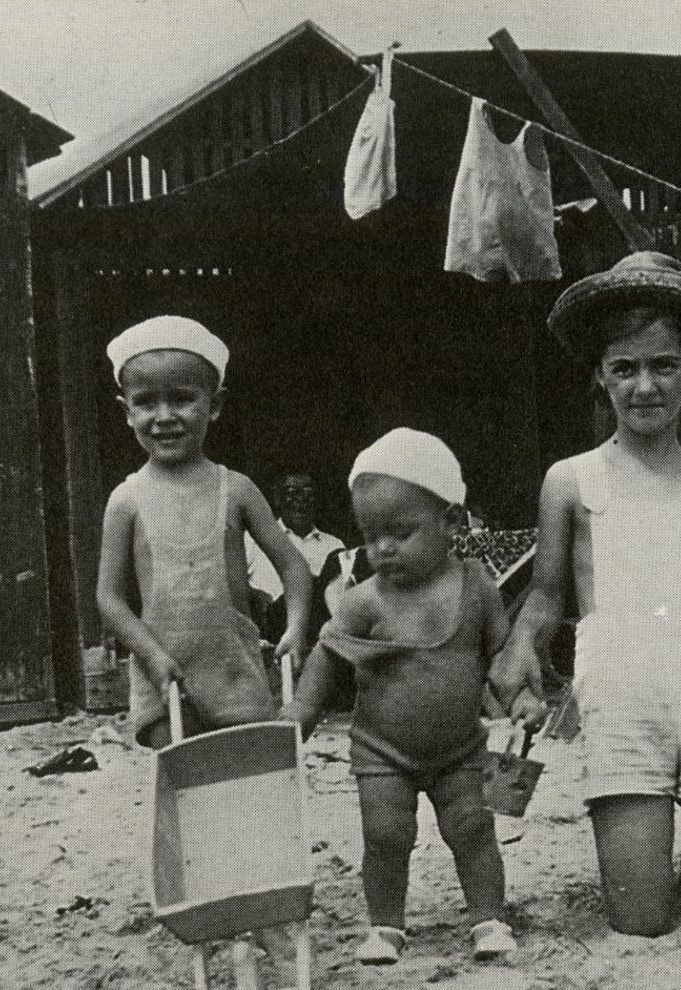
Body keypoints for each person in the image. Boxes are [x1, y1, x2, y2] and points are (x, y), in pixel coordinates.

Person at [490, 252, 681, 937]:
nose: (644, 386)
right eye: (625, 368)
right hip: (623, 704)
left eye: (663, 365)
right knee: (639, 919)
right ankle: (663, 846)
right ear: (599, 373)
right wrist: (519, 648)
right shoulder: (572, 480)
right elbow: (544, 594)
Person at [280, 428, 543, 965]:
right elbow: (326, 658)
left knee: (472, 829)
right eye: (370, 534)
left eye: (400, 532)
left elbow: (500, 658)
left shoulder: (476, 589)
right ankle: (385, 926)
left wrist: (518, 698)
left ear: (451, 522)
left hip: (462, 749)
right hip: (383, 752)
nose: (381, 549)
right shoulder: (363, 603)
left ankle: (488, 917)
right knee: (384, 834)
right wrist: (298, 715)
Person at [95, 315, 313, 750]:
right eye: (146, 402)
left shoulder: (236, 490)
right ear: (126, 411)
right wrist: (151, 654)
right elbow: (109, 599)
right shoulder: (126, 500)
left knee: (244, 779)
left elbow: (293, 566)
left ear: (214, 405)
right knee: (182, 785)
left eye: (182, 399)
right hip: (163, 674)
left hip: (234, 674)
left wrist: (296, 628)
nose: (164, 417)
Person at [245, 468, 344, 642]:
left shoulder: (333, 545)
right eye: (291, 492)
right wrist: (254, 596)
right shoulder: (255, 539)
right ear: (277, 498)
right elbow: (228, 581)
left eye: (308, 492)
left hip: (319, 639)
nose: (301, 499)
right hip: (269, 633)